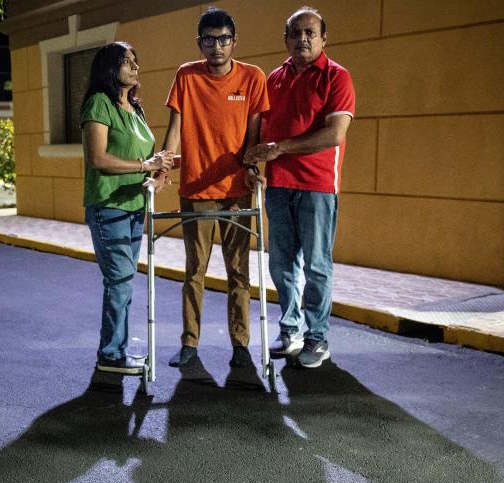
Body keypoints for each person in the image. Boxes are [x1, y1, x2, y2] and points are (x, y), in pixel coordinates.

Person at [244, 6, 355, 369]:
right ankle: (290, 329)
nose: (303, 39)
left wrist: (281, 148)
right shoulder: (274, 79)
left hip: (318, 187)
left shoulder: (337, 78)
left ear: (324, 38)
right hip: (277, 186)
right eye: (296, 33)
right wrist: (253, 163)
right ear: (286, 39)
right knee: (281, 264)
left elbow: (334, 134)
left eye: (310, 33)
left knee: (318, 266)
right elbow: (260, 131)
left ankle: (317, 337)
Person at [159, 7, 270, 369]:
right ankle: (190, 344)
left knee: (239, 272)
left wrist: (252, 168)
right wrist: (164, 164)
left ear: (234, 41)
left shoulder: (253, 78)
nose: (217, 46)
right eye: (210, 39)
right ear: (200, 42)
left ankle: (241, 345)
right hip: (196, 189)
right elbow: (175, 128)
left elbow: (253, 134)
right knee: (195, 271)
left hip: (237, 189)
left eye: (223, 39)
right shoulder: (186, 76)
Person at [80, 42, 174, 374]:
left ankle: (116, 349)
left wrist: (157, 174)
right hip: (109, 207)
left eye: (136, 60)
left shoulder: (136, 109)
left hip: (135, 206)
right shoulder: (99, 104)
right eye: (126, 62)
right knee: (119, 280)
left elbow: (148, 161)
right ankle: (110, 354)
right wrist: (144, 165)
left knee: (124, 280)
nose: (135, 67)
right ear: (109, 68)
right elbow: (98, 158)